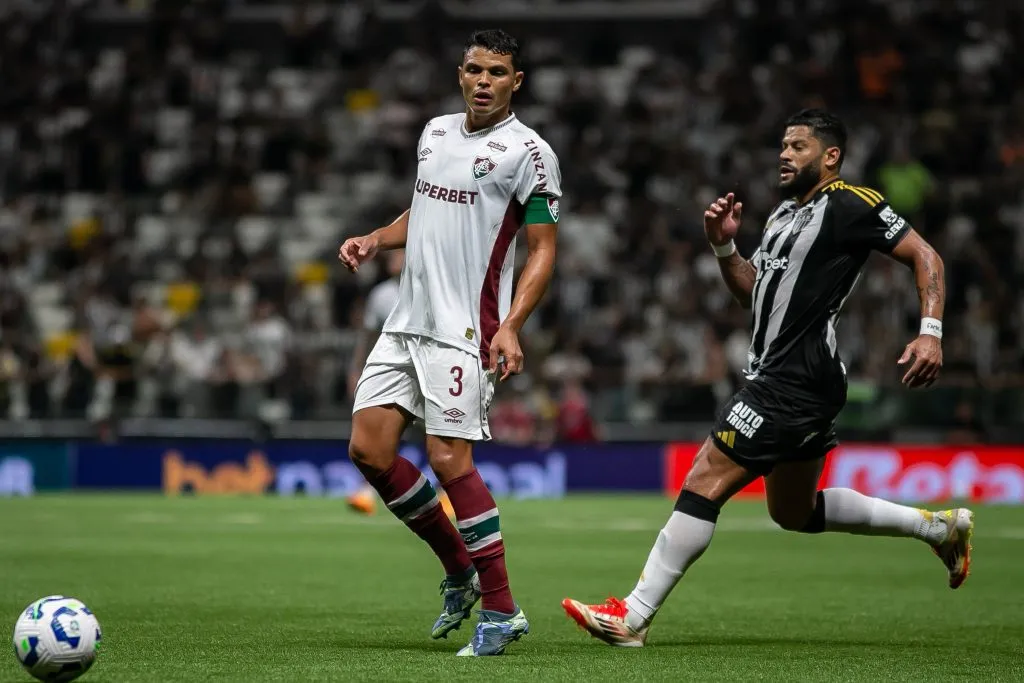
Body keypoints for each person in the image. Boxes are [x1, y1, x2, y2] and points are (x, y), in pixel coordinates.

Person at [561, 109, 971, 647]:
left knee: (704, 476)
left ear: (831, 157)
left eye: (798, 146)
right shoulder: (781, 216)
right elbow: (754, 297)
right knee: (792, 511)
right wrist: (724, 247)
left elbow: (925, 255)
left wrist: (931, 332)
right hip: (792, 379)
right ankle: (936, 527)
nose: (784, 153)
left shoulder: (851, 203)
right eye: (782, 144)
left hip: (792, 378)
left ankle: (632, 617)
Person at [338, 29, 561, 656]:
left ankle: (502, 610)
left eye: (497, 71)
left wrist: (511, 324)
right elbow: (425, 209)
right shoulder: (434, 132)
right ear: (459, 75)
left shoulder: (529, 153)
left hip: (465, 328)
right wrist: (378, 239)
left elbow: (542, 246)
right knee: (370, 451)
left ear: (517, 81)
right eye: (473, 70)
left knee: (448, 461)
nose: (483, 81)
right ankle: (459, 570)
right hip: (406, 321)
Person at [344, 251, 455, 521]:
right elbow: (369, 335)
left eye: (399, 252)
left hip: (430, 371)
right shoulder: (382, 294)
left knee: (439, 436)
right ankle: (367, 492)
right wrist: (357, 369)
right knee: (379, 435)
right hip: (395, 372)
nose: (392, 258)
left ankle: (447, 494)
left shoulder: (435, 287)